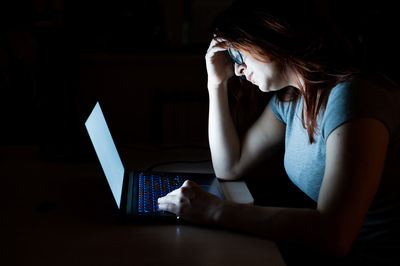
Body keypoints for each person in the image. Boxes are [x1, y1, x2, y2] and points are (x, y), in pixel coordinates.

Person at [158, 0, 400, 264]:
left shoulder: (353, 96)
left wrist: (215, 210)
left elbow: (335, 235)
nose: (237, 68)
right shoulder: (292, 98)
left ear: (270, 35)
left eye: (239, 54)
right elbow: (230, 166)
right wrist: (215, 83)